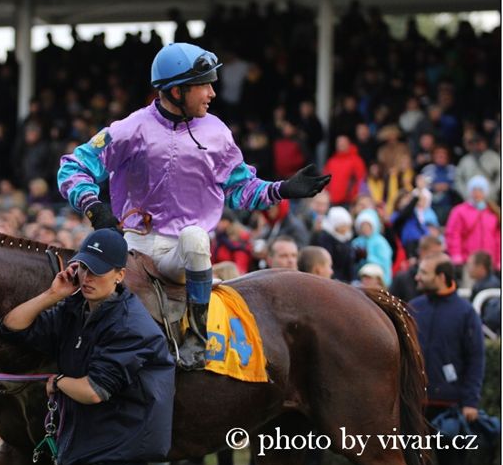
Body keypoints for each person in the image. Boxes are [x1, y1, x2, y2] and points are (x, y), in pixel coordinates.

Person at [57, 42, 330, 370]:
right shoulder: (131, 128)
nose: (212, 93)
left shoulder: (217, 132)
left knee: (196, 237)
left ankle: (197, 337)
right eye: (204, 85)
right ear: (176, 91)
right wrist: (94, 207)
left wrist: (281, 189)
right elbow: (73, 166)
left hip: (183, 254)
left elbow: (240, 188)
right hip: (134, 246)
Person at [0, 229, 176, 465]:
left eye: (97, 271)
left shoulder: (132, 327)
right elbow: (12, 326)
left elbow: (94, 390)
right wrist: (52, 294)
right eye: (83, 267)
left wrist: (58, 382)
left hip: (115, 459)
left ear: (120, 275)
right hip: (80, 451)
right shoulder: (74, 310)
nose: (87, 278)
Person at [410, 253, 485, 465]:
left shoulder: (466, 312)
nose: (417, 277)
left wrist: (470, 402)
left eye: (424, 272)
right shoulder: (413, 307)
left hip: (451, 409)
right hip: (415, 406)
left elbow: (476, 358)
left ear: (441, 277)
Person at [445, 175, 501, 276]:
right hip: (469, 262)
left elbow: (498, 238)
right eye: (474, 189)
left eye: (480, 190)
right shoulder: (459, 211)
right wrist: (456, 256)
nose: (477, 193)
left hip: (489, 263)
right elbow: (453, 235)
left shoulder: (492, 212)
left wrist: (499, 260)